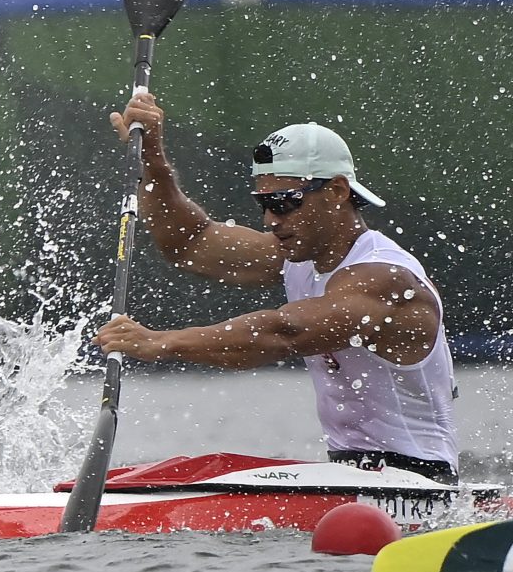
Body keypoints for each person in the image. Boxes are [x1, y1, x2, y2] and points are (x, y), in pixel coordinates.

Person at [93, 99, 456, 481]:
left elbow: (284, 333)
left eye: (284, 203)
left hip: (421, 482)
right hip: (349, 475)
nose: (270, 219)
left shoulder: (386, 278)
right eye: (264, 204)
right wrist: (153, 158)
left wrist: (159, 342)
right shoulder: (295, 255)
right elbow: (190, 243)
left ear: (336, 191)